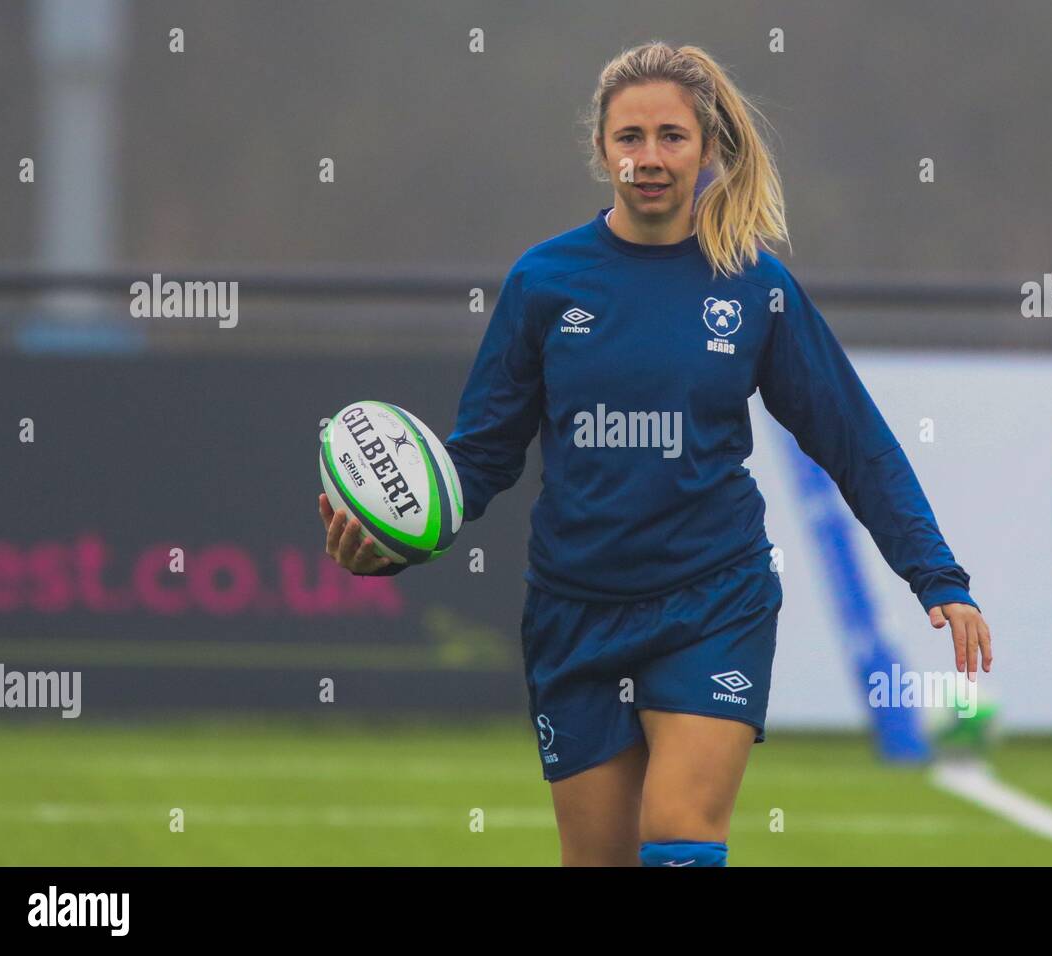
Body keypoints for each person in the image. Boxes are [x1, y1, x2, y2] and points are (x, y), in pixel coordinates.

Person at [319, 40, 992, 867]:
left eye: (671, 136)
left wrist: (938, 575)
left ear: (708, 148)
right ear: (600, 148)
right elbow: (482, 456)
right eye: (629, 137)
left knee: (680, 838)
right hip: (574, 611)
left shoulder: (754, 285)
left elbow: (855, 440)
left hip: (713, 598)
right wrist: (397, 539)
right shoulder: (543, 282)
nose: (648, 158)